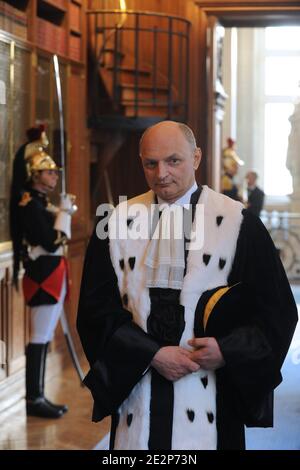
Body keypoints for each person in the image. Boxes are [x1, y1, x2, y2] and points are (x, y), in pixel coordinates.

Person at [77, 121, 297, 450]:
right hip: (138, 400)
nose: (161, 173)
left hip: (213, 399)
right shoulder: (116, 223)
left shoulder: (239, 223)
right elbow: (96, 312)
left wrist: (227, 350)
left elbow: (276, 311)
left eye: (173, 161)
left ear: (196, 158)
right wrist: (152, 354)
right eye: (151, 163)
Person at [10, 126, 75, 419]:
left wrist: (62, 212)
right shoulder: (29, 205)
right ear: (35, 175)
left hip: (52, 273)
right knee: (39, 337)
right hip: (42, 276)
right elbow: (51, 242)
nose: (54, 176)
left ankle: (38, 395)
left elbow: (60, 241)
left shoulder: (39, 204)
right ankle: (34, 398)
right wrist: (64, 212)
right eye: (49, 173)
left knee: (45, 335)